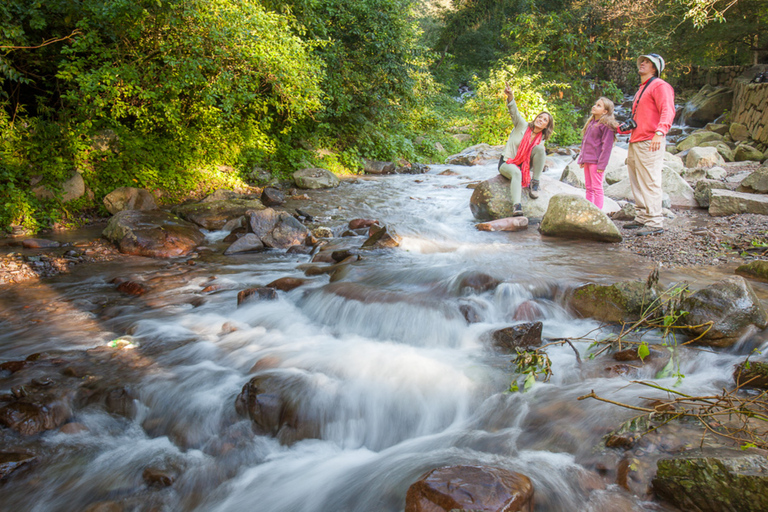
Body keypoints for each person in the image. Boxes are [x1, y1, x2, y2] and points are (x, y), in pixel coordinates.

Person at [620, 53, 675, 236]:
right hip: (637, 139)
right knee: (636, 179)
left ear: (655, 68)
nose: (642, 63)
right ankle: (643, 216)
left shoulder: (660, 85)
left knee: (650, 180)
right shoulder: (643, 88)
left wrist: (660, 132)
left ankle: (654, 221)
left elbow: (668, 109)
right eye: (642, 61)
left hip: (650, 140)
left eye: (647, 62)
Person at [498, 82, 554, 216]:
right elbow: (514, 112)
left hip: (524, 165)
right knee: (516, 173)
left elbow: (538, 156)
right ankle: (517, 206)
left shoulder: (541, 139)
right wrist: (510, 96)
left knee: (540, 149)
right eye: (540, 117)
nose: (540, 119)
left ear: (547, 126)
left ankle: (535, 182)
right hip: (507, 162)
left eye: (544, 119)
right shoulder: (522, 125)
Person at [578, 97, 618, 209]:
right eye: (595, 104)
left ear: (605, 112)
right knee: (588, 187)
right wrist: (582, 158)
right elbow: (585, 142)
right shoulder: (591, 122)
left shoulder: (606, 126)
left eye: (599, 105)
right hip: (588, 159)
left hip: (596, 161)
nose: (594, 106)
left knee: (597, 187)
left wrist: (602, 164)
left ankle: (598, 211)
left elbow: (607, 147)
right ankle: (589, 209)